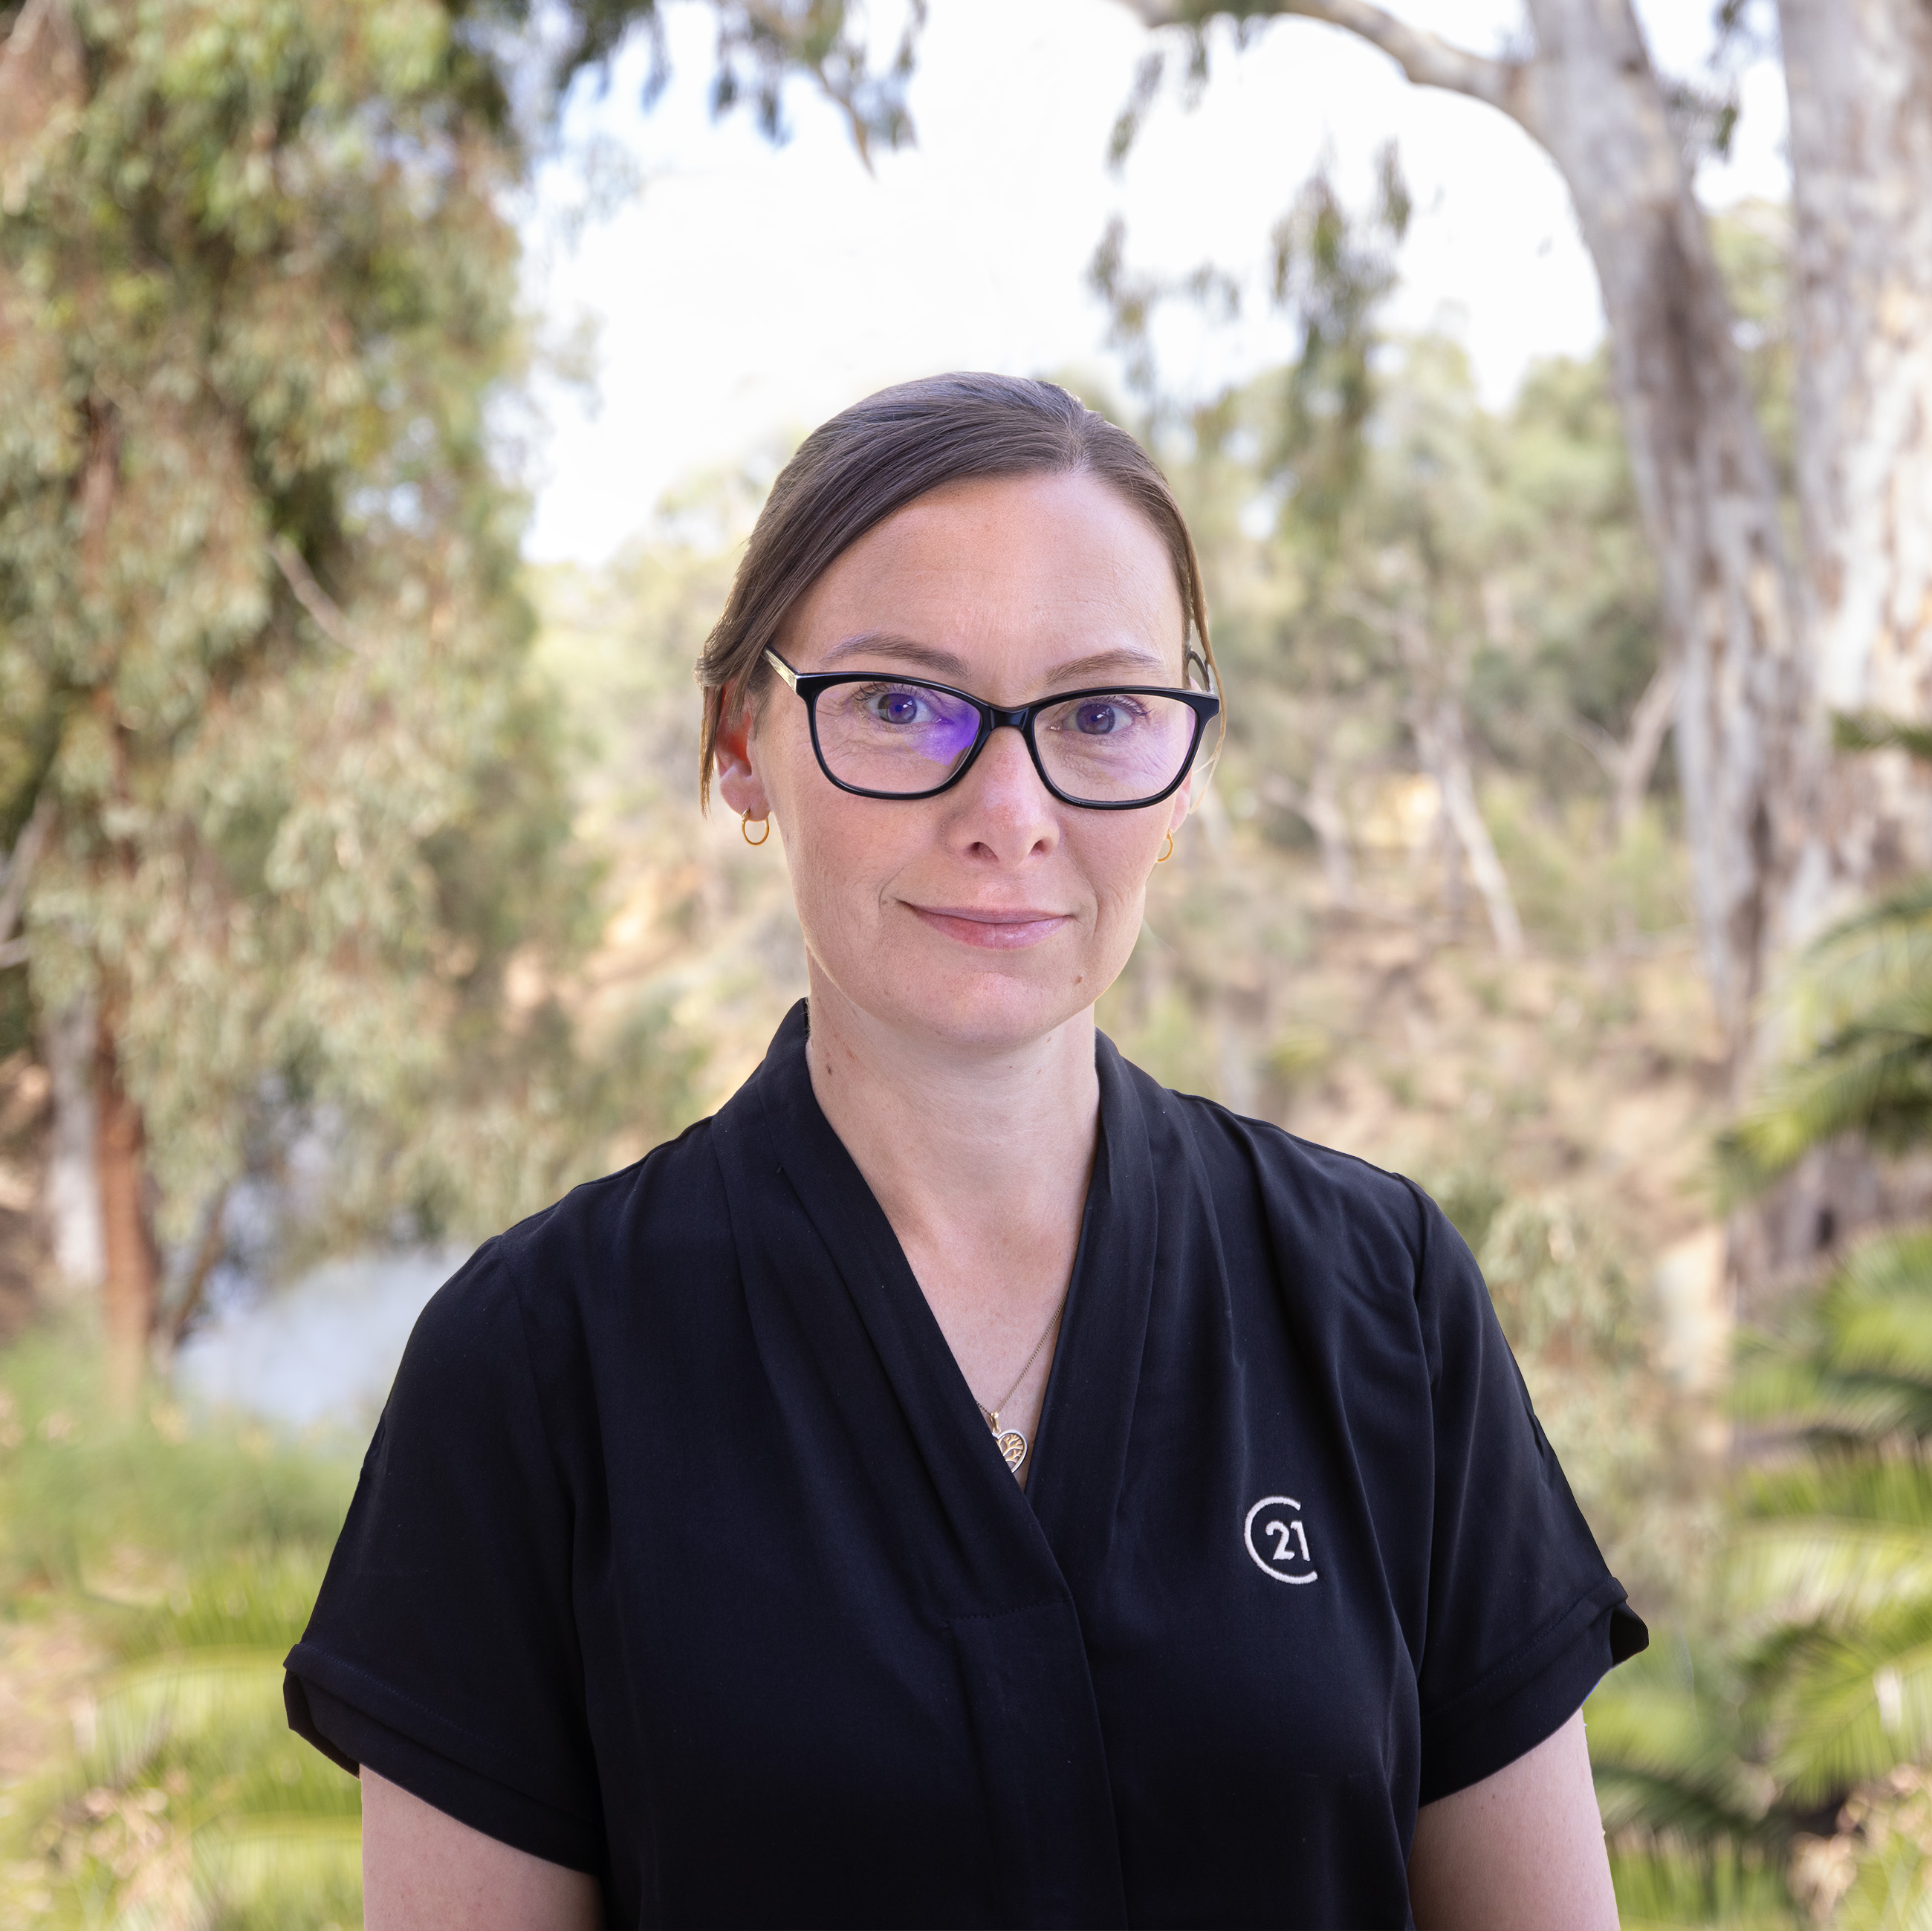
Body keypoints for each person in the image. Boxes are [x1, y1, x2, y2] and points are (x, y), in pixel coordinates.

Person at [285, 372, 1644, 1930]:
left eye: (1101, 715)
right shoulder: (536, 1366)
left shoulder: (1376, 1297)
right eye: (898, 704)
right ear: (742, 742)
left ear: (1183, 776)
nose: (1009, 809)